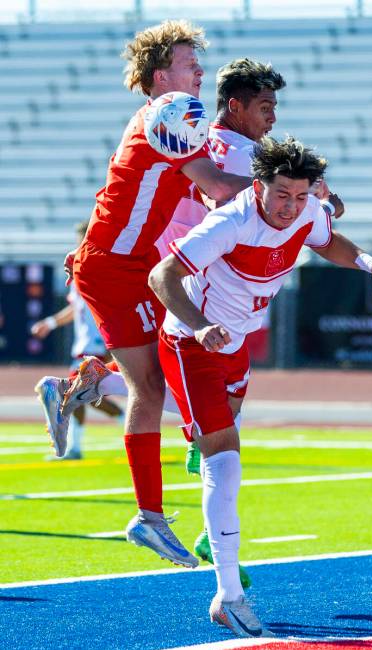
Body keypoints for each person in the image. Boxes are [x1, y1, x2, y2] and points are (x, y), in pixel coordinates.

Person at [147, 135, 372, 637]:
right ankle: (229, 594)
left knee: (218, 451)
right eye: (282, 194)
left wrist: (370, 263)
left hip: (235, 345)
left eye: (300, 196)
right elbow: (163, 278)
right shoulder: (230, 221)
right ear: (260, 184)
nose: (291, 207)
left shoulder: (307, 210)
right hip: (192, 344)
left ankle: (100, 385)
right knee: (224, 463)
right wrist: (200, 325)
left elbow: (327, 240)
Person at [57, 20, 254, 570]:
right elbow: (218, 187)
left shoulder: (172, 120)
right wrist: (294, 193)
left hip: (133, 262)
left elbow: (209, 185)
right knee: (151, 386)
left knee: (165, 373)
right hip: (114, 264)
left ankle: (82, 382)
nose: (200, 75)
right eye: (191, 65)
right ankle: (147, 515)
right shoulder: (171, 114)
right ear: (162, 72)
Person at [33, 221, 124, 460]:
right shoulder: (79, 267)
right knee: (83, 395)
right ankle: (82, 443)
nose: (79, 243)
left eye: (83, 238)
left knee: (76, 394)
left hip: (94, 342)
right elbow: (76, 309)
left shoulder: (99, 266)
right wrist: (50, 323)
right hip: (84, 342)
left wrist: (109, 339)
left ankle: (77, 446)